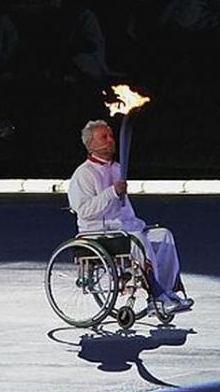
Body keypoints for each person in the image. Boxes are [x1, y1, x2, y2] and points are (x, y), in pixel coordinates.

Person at [67, 120, 192, 312]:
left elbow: (123, 208)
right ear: (90, 144)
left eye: (111, 136)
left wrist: (133, 221)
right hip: (100, 233)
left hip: (124, 229)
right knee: (139, 240)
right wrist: (112, 192)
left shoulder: (117, 168)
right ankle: (156, 297)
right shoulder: (83, 174)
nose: (111, 140)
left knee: (164, 235)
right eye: (104, 137)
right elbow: (83, 210)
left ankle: (168, 292)